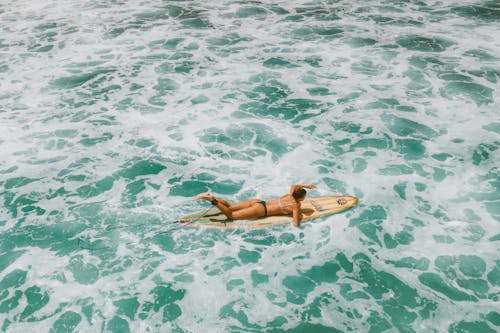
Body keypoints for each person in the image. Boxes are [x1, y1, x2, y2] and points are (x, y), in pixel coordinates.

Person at [194, 184, 316, 227]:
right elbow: (295, 223)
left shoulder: (288, 195)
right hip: (261, 210)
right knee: (231, 215)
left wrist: (306, 186)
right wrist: (300, 219)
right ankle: (212, 200)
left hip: (258, 202)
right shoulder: (296, 205)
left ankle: (212, 196)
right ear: (301, 198)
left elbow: (294, 185)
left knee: (230, 206)